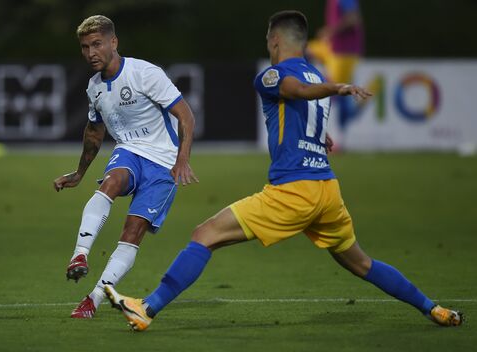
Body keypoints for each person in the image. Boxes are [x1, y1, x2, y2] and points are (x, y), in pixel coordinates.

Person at [104, 10, 463, 331]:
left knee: (205, 234)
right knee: (361, 264)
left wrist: (336, 88)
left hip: (294, 191)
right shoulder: (316, 72)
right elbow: (309, 108)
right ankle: (434, 309)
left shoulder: (274, 76)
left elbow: (297, 90)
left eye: (267, 38)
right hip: (327, 192)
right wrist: (324, 126)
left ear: (275, 40)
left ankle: (146, 308)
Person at [53, 15, 198, 319]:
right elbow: (94, 133)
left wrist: (183, 157)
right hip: (129, 151)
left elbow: (185, 115)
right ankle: (79, 254)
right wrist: (79, 173)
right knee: (111, 182)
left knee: (132, 232)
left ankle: (93, 299)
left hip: (163, 163)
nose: (90, 52)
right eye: (84, 47)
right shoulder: (94, 87)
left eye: (96, 44)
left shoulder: (145, 73)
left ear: (113, 42)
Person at [307, 0, 364, 129]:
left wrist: (330, 31)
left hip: (344, 52)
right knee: (306, 50)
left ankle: (336, 136)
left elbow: (353, 19)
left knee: (335, 92)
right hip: (333, 49)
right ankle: (311, 85)